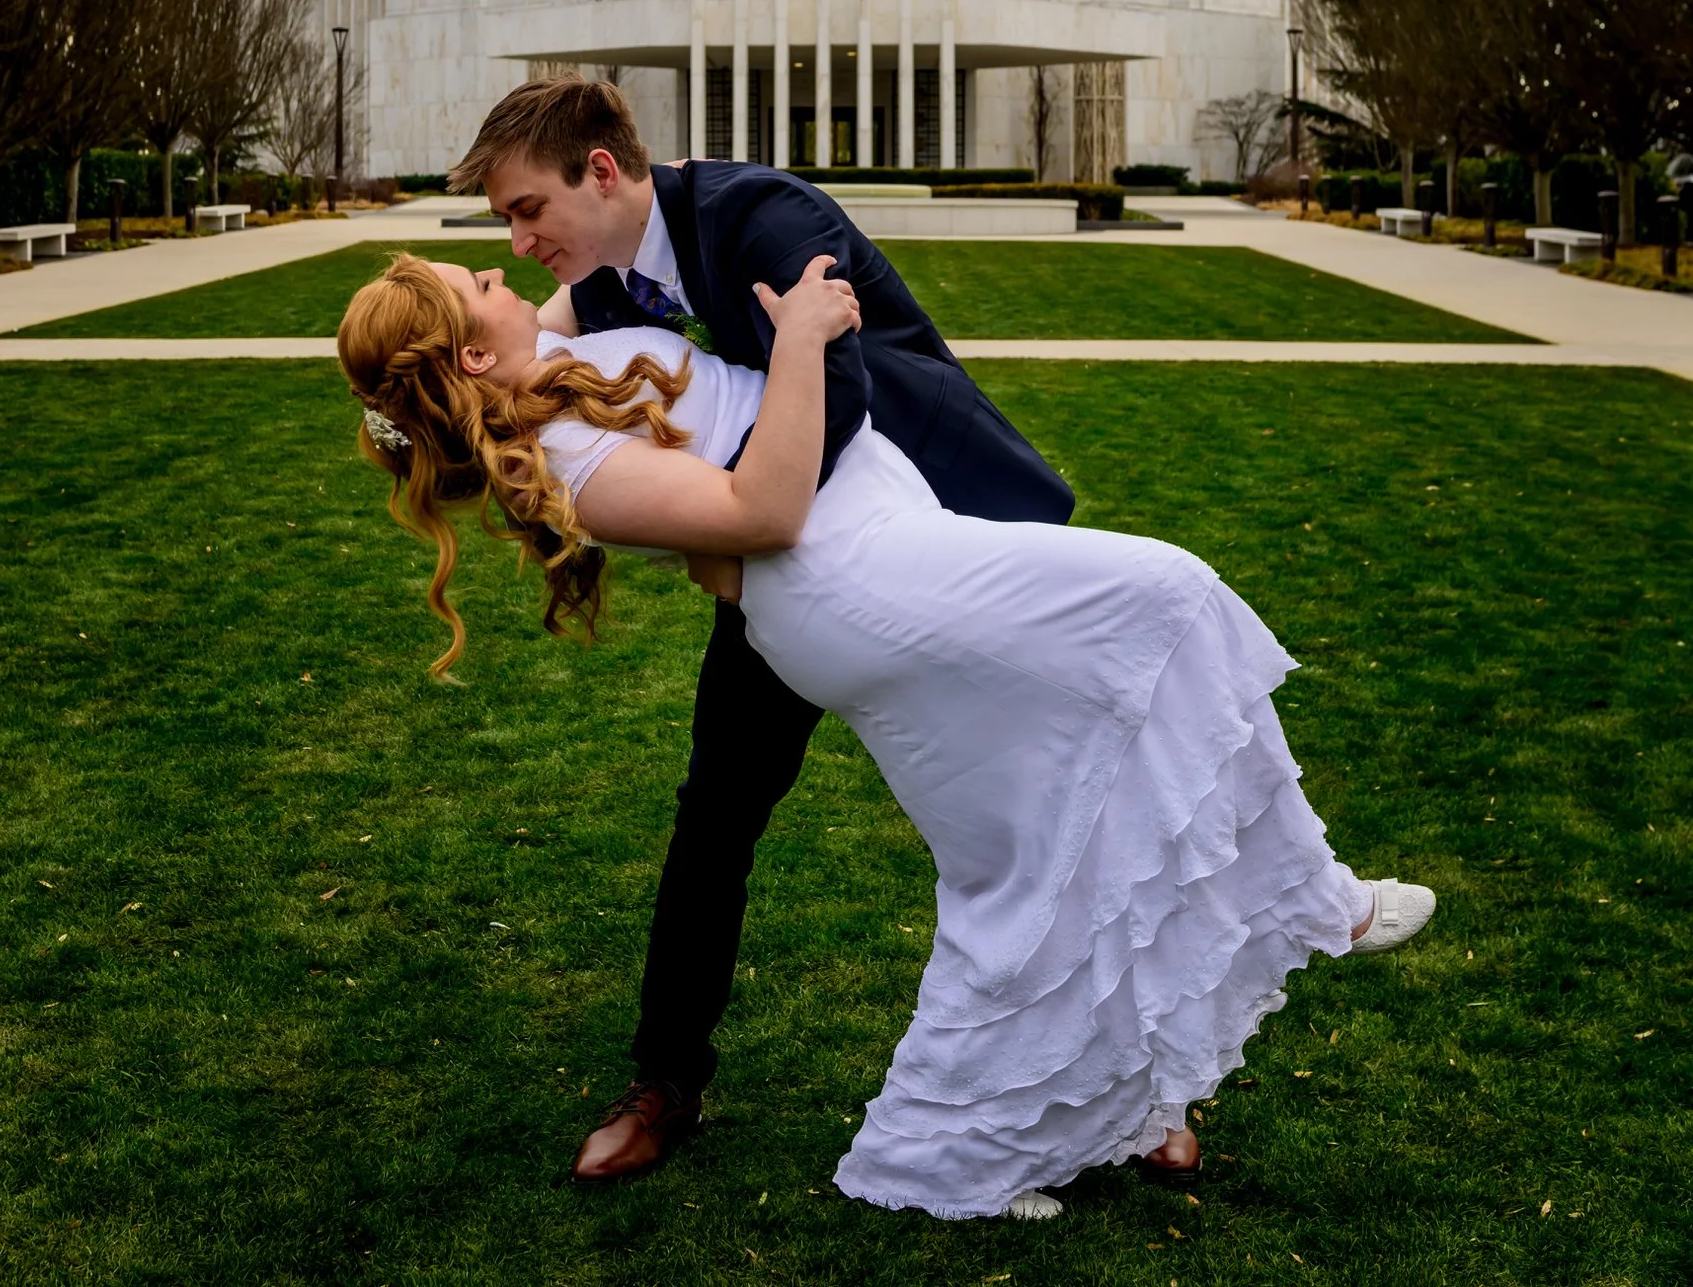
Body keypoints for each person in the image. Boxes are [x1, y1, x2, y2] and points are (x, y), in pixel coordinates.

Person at [338, 246, 1436, 1224]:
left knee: (1022, 849)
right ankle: (1312, 898)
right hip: (861, 581)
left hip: (887, 550)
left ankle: (957, 1153)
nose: (504, 270)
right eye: (477, 285)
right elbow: (763, 518)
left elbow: (618, 239)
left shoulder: (550, 356)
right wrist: (804, 339)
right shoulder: (576, 459)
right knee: (1172, 596)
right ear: (473, 361)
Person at [444, 74, 1075, 1182]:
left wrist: (720, 544)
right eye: (506, 222)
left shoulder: (766, 218)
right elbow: (487, 357)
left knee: (1038, 809)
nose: (519, 238)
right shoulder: (603, 278)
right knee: (717, 811)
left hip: (936, 531)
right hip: (788, 588)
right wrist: (409, 407)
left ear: (599, 173)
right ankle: (664, 1083)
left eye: (526, 209)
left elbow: (826, 412)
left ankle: (1148, 1085)